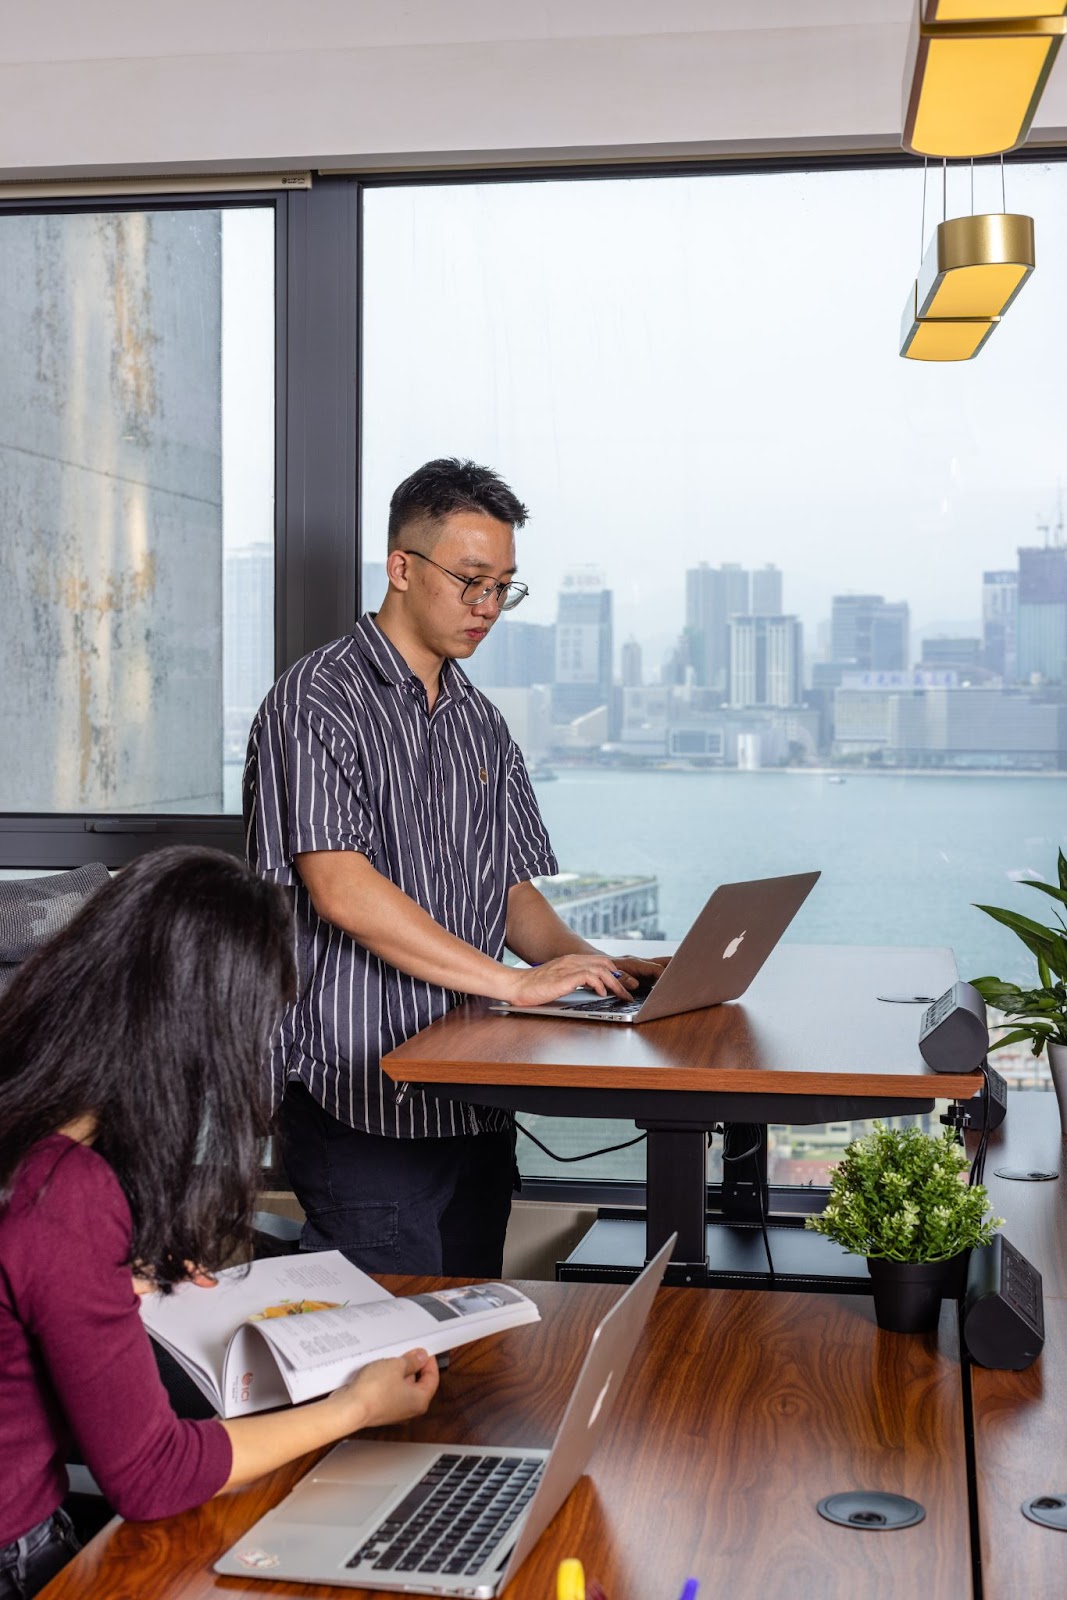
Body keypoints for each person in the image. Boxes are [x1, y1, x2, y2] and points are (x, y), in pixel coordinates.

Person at [244, 457, 667, 1278]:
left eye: (504, 586)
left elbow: (508, 892)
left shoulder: (479, 721)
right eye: (471, 580)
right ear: (401, 567)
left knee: (468, 1340)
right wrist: (512, 985)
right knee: (385, 1352)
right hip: (359, 1098)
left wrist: (599, 965)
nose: (488, 607)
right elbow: (339, 886)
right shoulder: (315, 701)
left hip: (472, 1096)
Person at [0, 848, 439, 1600]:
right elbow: (151, 1475)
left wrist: (109, 1271)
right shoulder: (63, 1195)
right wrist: (357, 1405)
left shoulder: (27, 1124)